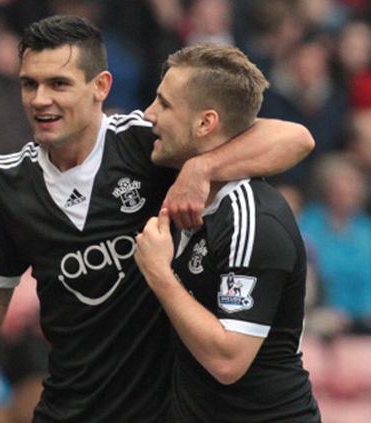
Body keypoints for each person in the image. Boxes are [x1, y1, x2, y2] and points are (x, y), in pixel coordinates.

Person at [0, 15, 314, 423]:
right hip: (68, 408)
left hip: (160, 411)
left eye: (59, 84)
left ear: (101, 87)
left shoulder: (148, 143)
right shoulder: (7, 181)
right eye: (29, 84)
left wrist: (201, 169)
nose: (40, 99)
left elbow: (294, 138)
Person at [134, 44, 320, 421]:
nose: (149, 114)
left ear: (205, 124)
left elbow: (228, 360)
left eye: (164, 104)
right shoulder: (174, 169)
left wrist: (158, 273)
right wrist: (199, 168)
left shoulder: (254, 218)